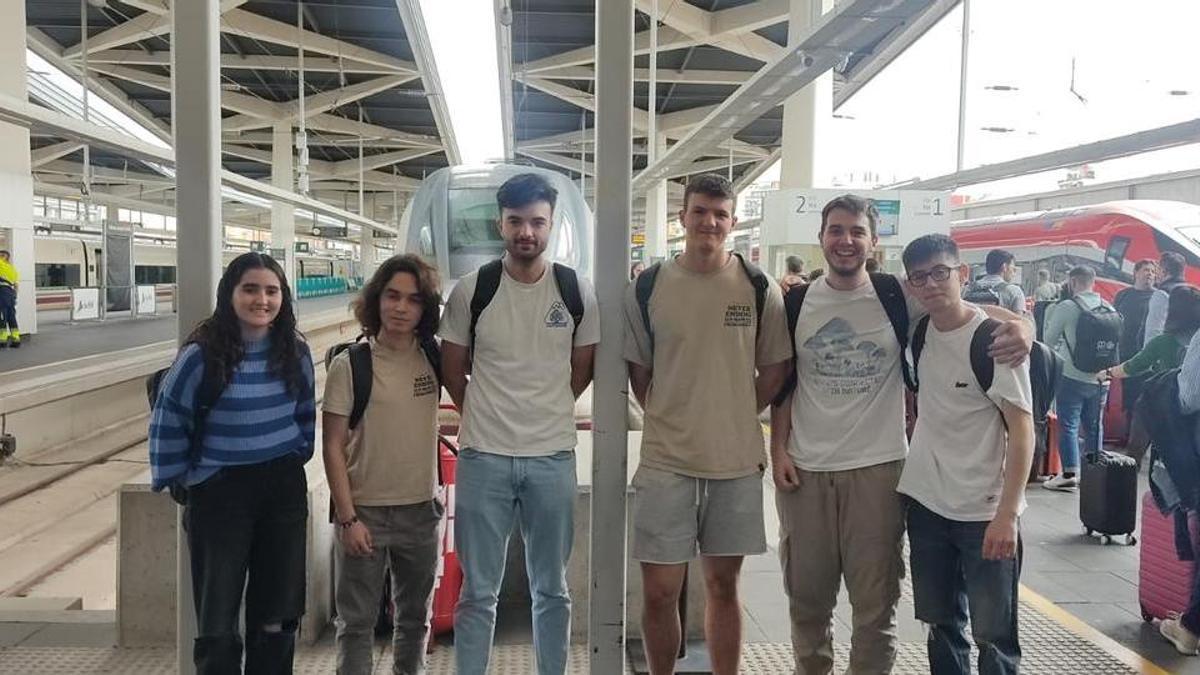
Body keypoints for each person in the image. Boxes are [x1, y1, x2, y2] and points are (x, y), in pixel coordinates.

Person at [769, 195, 1031, 674]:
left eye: (857, 232)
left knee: (875, 609)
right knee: (807, 604)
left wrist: (1025, 326)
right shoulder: (797, 301)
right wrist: (777, 446)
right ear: (822, 238)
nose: (846, 240)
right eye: (836, 230)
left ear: (872, 242)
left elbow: (964, 308)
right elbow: (786, 381)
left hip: (880, 470)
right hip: (807, 471)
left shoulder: (898, 294)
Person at [624, 173, 791, 675]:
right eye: (700, 211)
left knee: (723, 586)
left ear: (733, 222)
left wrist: (735, 410)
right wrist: (673, 410)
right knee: (659, 591)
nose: (710, 222)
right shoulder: (650, 284)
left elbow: (776, 369)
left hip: (734, 461)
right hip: (665, 461)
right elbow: (639, 369)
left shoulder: (759, 287)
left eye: (720, 214)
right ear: (683, 217)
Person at [440, 173, 600, 675]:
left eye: (537, 222)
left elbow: (582, 367)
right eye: (516, 221)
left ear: (552, 224)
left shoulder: (575, 291)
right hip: (483, 457)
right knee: (478, 590)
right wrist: (482, 411)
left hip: (551, 456)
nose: (526, 232)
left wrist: (546, 407)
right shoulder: (474, 290)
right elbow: (452, 366)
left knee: (551, 587)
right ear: (500, 223)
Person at [149, 252, 315, 674]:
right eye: (251, 289)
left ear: (283, 298)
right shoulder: (200, 356)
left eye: (272, 291)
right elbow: (169, 419)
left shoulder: (294, 351)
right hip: (220, 494)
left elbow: (304, 415)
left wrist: (294, 453)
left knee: (278, 616)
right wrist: (184, 479)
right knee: (218, 619)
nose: (262, 299)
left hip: (282, 490)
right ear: (231, 294)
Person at [899, 234, 1034, 675]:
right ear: (912, 285)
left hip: (984, 512)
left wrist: (1008, 514)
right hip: (927, 506)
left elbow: (1022, 428)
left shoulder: (994, 342)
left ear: (962, 274)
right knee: (941, 625)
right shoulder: (919, 330)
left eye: (941, 272)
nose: (932, 284)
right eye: (921, 277)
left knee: (994, 636)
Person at [322, 254, 444, 675]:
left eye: (412, 300)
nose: (400, 308)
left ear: (424, 309)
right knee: (356, 624)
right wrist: (348, 517)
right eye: (392, 296)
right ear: (376, 300)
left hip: (420, 513)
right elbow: (333, 446)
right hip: (365, 514)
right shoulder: (350, 365)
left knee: (415, 620)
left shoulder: (434, 357)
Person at [1041, 265, 1116, 491]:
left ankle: (1070, 472)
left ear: (1072, 282)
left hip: (1072, 375)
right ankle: (1094, 471)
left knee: (1069, 424)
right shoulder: (1108, 306)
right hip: (1103, 377)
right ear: (1092, 281)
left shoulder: (1067, 306)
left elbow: (1048, 340)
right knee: (1095, 425)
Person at [1099, 284, 1200, 385]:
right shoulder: (1196, 340)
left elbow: (1134, 366)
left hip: (1171, 398)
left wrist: (1108, 373)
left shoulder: (1164, 342)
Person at [964, 249, 1027, 315]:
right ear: (1004, 267)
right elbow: (1019, 322)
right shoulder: (1014, 291)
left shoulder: (966, 289)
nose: (1014, 272)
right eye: (1013, 267)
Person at [1145, 252, 1188, 345]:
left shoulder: (1162, 294)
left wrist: (1147, 357)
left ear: (1164, 271)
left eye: (1158, 269)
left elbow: (1153, 331)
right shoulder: (1190, 294)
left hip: (1161, 354)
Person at [0, 249, 20, 348]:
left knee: (2, 317)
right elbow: (16, 285)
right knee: (12, 317)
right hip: (11, 294)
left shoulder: (1, 264)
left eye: (1, 255)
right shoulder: (12, 269)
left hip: (2, 293)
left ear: (4, 257)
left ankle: (2, 341)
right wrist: (15, 296)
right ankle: (16, 339)